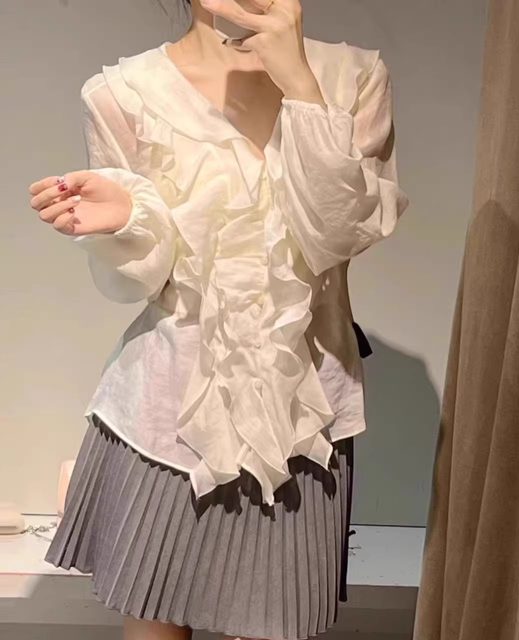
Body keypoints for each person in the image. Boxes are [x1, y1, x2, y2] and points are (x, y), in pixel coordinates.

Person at [28, 0, 409, 638]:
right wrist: (126, 222)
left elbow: (337, 236)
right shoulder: (123, 93)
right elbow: (143, 283)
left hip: (304, 415)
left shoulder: (354, 78)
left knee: (277, 619)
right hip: (165, 416)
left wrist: (301, 86)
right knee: (156, 617)